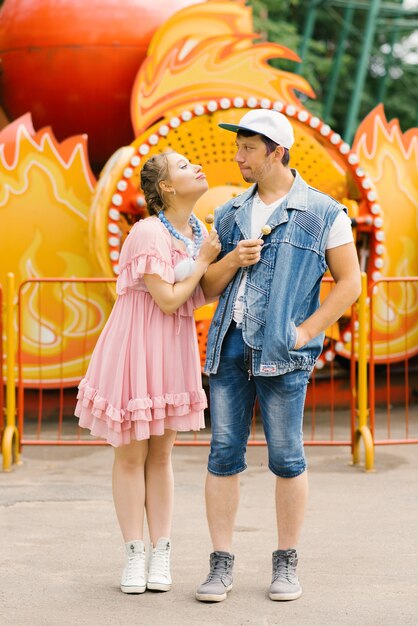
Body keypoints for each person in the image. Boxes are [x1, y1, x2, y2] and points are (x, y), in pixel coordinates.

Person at [196, 109, 361, 602]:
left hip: (284, 355)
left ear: (277, 152)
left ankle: (286, 563)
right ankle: (220, 563)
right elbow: (207, 287)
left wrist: (304, 331)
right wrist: (231, 259)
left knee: (288, 458)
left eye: (248, 148)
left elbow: (350, 283)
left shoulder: (324, 212)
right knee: (223, 454)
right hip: (228, 347)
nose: (238, 156)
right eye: (239, 146)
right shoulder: (227, 213)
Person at [75, 150, 220, 595]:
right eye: (182, 166)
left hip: (171, 347)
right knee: (132, 455)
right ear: (166, 188)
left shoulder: (198, 233)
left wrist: (217, 262)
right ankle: (134, 553)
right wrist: (205, 262)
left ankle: (162, 552)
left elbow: (196, 296)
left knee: (161, 456)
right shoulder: (147, 232)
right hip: (137, 344)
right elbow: (169, 298)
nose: (195, 166)